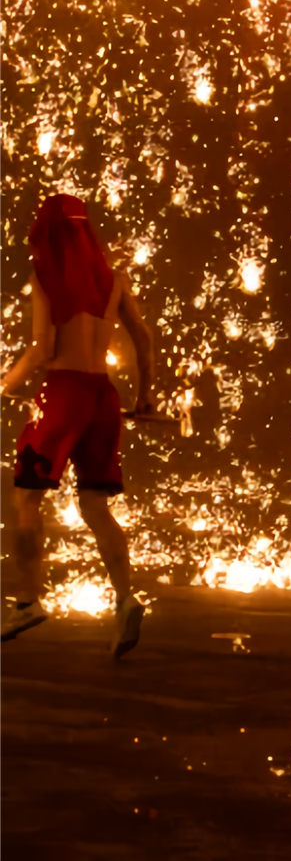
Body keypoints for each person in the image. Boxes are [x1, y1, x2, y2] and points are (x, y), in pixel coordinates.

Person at [2, 195, 158, 656]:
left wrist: (7, 382)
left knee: (27, 496)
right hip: (102, 397)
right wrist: (146, 395)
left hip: (61, 394)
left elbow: (42, 347)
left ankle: (28, 600)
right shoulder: (114, 280)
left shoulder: (45, 276)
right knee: (95, 505)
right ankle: (125, 597)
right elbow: (143, 338)